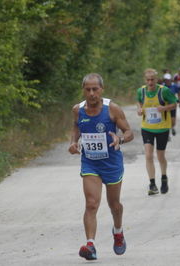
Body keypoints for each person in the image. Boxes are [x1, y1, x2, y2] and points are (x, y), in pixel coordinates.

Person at [69, 73, 134, 261]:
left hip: (112, 163)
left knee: (114, 205)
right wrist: (73, 143)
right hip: (90, 163)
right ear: (83, 90)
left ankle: (118, 231)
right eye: (87, 89)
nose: (91, 93)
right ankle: (90, 245)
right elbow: (75, 129)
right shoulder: (77, 110)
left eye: (95, 89)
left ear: (101, 90)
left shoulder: (112, 109)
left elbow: (129, 132)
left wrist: (120, 138)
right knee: (91, 203)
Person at [137, 68, 177, 195]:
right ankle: (152, 184)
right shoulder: (141, 91)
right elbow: (139, 102)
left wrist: (164, 108)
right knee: (148, 155)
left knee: (160, 156)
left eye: (152, 79)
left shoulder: (164, 91)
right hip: (147, 127)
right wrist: (139, 109)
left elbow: (174, 104)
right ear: (145, 80)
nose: (150, 82)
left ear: (157, 79)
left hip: (162, 128)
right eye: (148, 80)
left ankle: (164, 178)